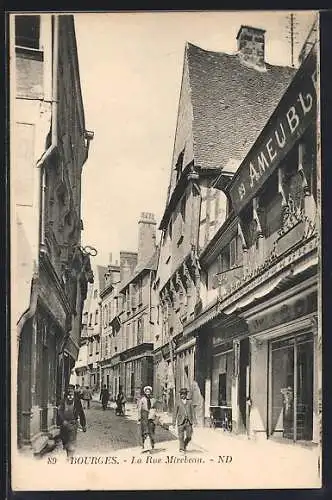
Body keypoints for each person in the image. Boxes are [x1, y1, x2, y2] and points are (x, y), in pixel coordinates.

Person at [57, 385, 86, 458]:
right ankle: (68, 454)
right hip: (64, 424)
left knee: (72, 441)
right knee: (65, 440)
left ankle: (70, 456)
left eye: (71, 389)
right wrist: (62, 420)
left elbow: (81, 412)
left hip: (73, 423)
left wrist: (83, 424)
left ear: (74, 391)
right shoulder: (63, 401)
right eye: (68, 389)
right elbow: (60, 411)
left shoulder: (77, 401)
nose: (70, 391)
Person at [172, 388, 194, 453]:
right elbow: (174, 412)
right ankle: (181, 448)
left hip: (188, 421)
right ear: (180, 395)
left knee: (189, 436)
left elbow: (193, 411)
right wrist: (173, 422)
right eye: (181, 394)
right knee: (181, 436)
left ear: (186, 395)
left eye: (184, 394)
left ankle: (184, 445)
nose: (183, 395)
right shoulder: (178, 402)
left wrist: (194, 421)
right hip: (180, 421)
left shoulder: (190, 402)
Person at [137, 386, 157, 453]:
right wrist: (139, 418)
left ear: (150, 392)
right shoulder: (142, 399)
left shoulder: (153, 399)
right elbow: (139, 409)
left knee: (151, 430)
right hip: (144, 416)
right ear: (145, 392)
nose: (148, 393)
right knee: (144, 431)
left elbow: (155, 408)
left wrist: (154, 415)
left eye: (149, 392)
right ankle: (143, 445)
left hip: (151, 416)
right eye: (147, 392)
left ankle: (152, 445)